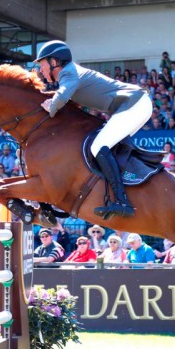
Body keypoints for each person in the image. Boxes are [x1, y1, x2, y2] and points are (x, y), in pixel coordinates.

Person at [35, 40, 152, 218]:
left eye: (42, 65)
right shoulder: (70, 73)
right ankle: (129, 189)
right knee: (107, 146)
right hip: (137, 104)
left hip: (134, 104)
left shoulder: (68, 73)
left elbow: (61, 98)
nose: (40, 70)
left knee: (98, 146)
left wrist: (51, 105)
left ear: (54, 62)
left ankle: (122, 201)